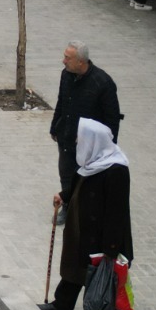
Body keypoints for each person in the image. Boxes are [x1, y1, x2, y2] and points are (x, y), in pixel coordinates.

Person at [40, 118, 134, 310]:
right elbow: (79, 182)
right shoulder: (92, 161)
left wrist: (111, 247)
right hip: (82, 229)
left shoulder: (116, 170)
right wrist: (64, 195)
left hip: (104, 236)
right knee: (75, 266)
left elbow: (117, 212)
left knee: (104, 277)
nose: (76, 143)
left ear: (93, 141)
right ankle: (63, 304)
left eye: (79, 139)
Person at [50, 41, 122, 223]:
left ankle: (88, 210)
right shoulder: (66, 75)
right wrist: (54, 126)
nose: (63, 61)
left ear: (81, 62)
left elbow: (112, 119)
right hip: (66, 137)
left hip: (89, 144)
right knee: (66, 173)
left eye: (68, 58)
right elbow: (61, 102)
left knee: (86, 178)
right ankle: (68, 207)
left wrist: (108, 147)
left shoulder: (103, 83)